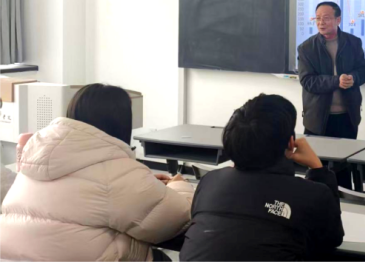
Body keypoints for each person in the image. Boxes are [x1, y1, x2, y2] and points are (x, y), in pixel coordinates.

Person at [0, 84, 194, 262]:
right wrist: (179, 184)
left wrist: (145, 183)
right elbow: (177, 220)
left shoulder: (34, 157)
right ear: (121, 122)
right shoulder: (117, 172)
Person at [180, 94, 344, 262]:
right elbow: (331, 238)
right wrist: (318, 170)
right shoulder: (312, 194)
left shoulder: (209, 181)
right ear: (290, 143)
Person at [297, 1, 365, 187]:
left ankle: (346, 200)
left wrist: (353, 78)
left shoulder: (353, 43)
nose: (321, 22)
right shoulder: (306, 48)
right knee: (317, 170)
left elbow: (363, 71)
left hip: (347, 117)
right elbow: (308, 81)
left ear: (338, 20)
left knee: (343, 169)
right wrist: (336, 81)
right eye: (317, 18)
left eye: (326, 18)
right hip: (318, 119)